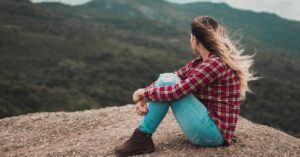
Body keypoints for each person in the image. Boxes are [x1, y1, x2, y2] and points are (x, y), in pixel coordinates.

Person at [114, 16, 259, 156]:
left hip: (213, 134)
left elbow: (178, 90)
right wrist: (145, 97)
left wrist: (143, 93)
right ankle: (142, 138)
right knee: (167, 78)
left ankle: (141, 137)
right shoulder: (202, 62)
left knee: (170, 84)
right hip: (208, 127)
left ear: (195, 39)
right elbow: (173, 76)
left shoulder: (214, 64)